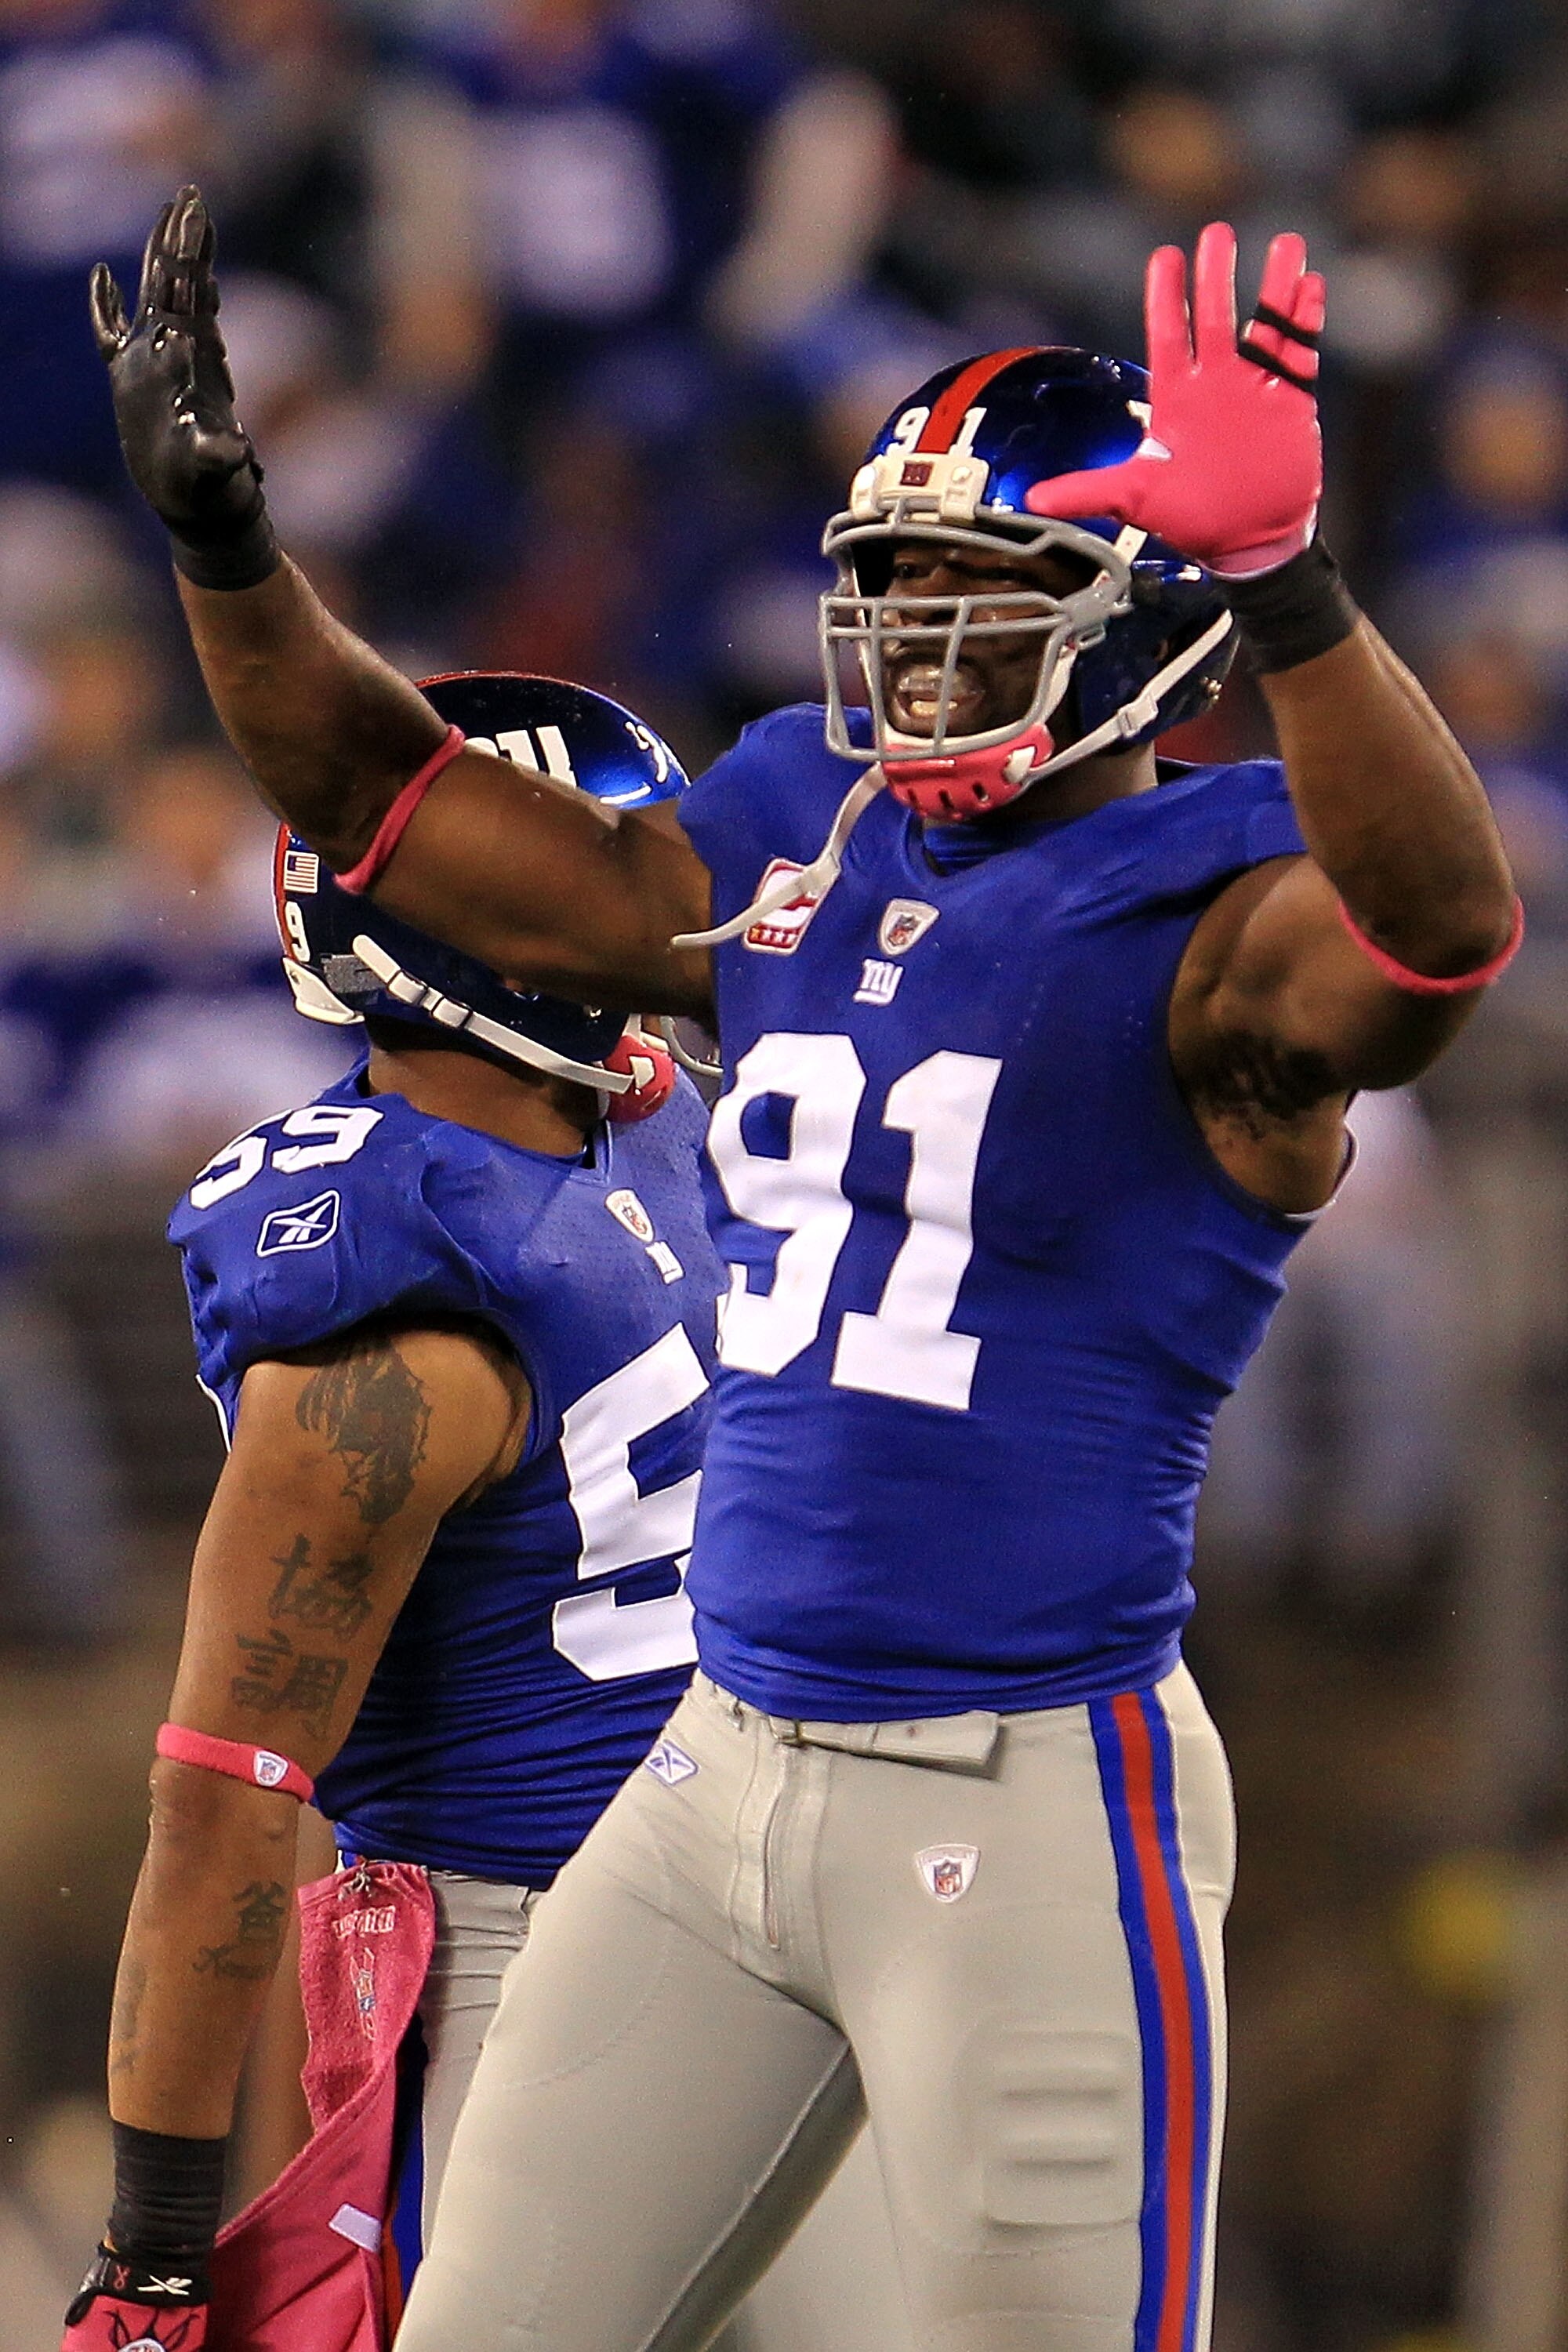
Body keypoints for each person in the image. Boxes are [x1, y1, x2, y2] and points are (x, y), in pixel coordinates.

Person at [89, 189, 1518, 2352]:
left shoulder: (1220, 909)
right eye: (900, 593)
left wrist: (1297, 589)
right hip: (718, 1773)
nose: (924, 645)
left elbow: (1436, 941)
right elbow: (395, 810)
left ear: (1148, 626)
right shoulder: (809, 831)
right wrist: (227, 557)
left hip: (1024, 1792)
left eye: (988, 592)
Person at [59, 670, 722, 2350]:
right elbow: (223, 1804)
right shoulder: (386, 1321)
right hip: (549, 1971)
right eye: (592, 868)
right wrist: (153, 2254)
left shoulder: (646, 1125)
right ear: (474, 927)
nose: (655, 906)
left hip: (786, 1903)